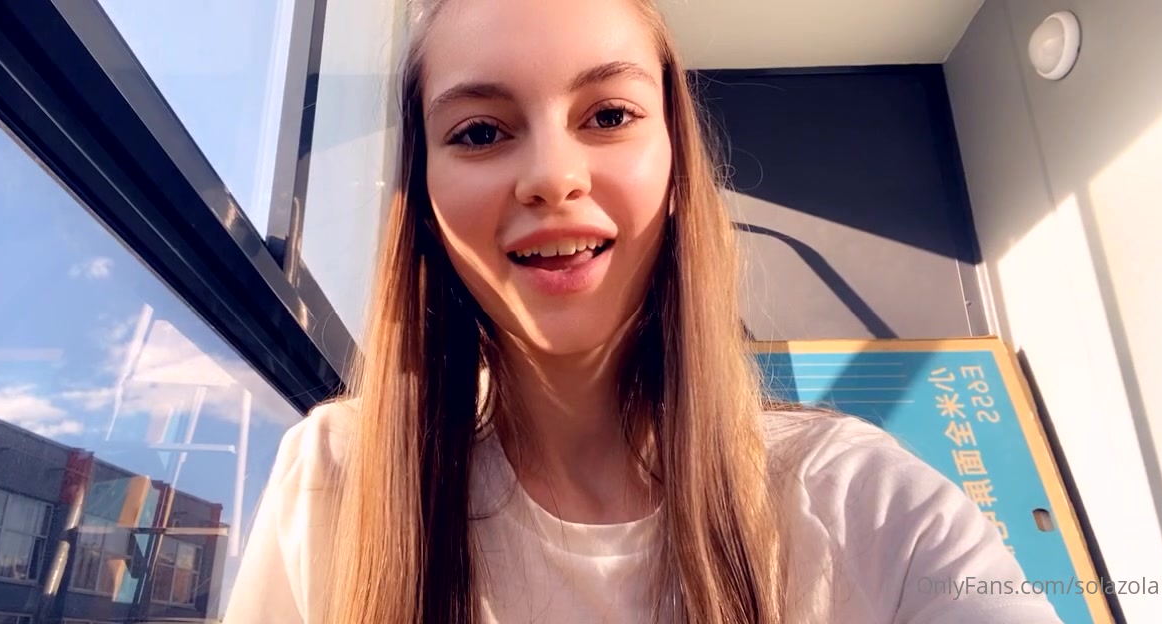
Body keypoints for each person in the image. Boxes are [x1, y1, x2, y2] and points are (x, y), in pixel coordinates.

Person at [224, 0, 1064, 621]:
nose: (552, 177)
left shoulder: (868, 504)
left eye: (609, 116)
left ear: (674, 167)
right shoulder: (332, 481)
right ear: (425, 196)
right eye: (479, 132)